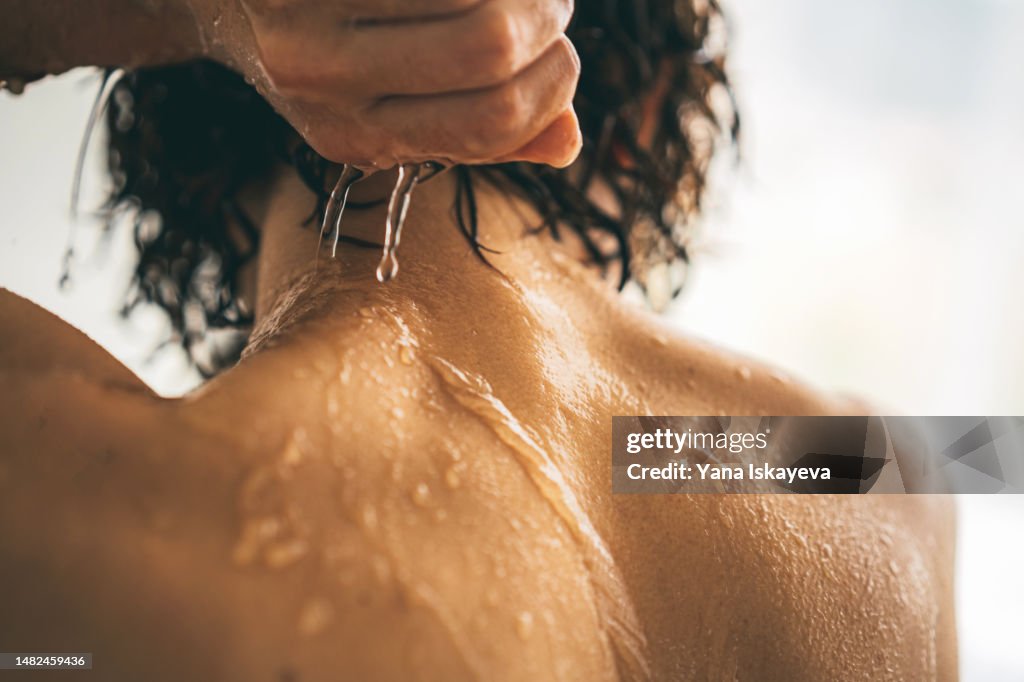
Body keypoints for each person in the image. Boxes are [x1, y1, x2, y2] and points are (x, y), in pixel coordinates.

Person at [0, 1, 956, 679]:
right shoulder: (884, 468)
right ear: (650, 121)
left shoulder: (91, 477)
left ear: (182, 171)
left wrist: (176, 14)